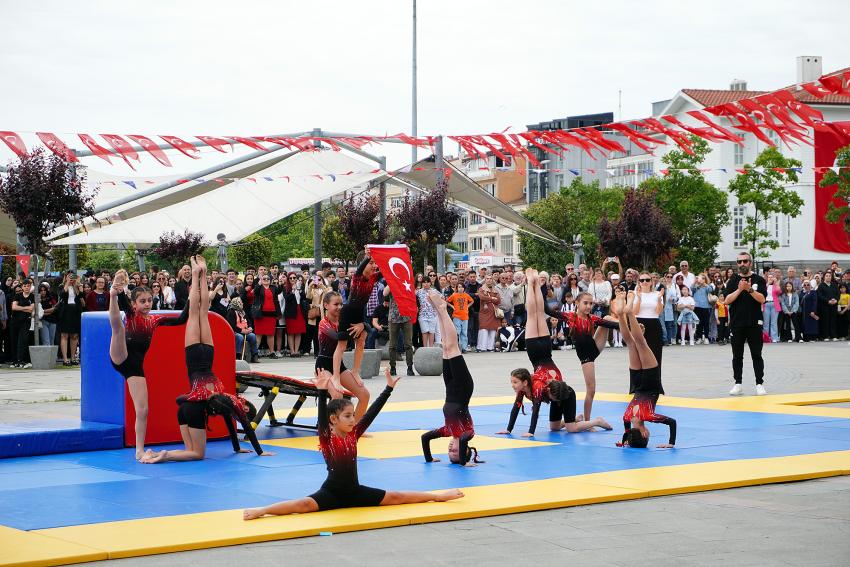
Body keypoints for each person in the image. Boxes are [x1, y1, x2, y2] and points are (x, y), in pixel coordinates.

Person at [243, 368, 464, 519]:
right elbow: (321, 418)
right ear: (334, 420)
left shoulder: (353, 434)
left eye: (352, 415)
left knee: (397, 497)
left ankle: (438, 496)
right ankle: (262, 510)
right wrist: (321, 391)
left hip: (355, 491)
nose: (352, 419)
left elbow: (371, 414)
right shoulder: (326, 438)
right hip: (331, 493)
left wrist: (388, 390)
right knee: (302, 506)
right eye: (347, 416)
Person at [141, 256, 270, 464]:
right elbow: (239, 426)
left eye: (246, 407)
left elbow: (240, 424)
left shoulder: (225, 396)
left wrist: (252, 449)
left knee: (201, 311)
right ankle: (196, 273)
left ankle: (201, 272)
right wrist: (258, 451)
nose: (244, 407)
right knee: (196, 312)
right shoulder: (222, 403)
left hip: (207, 354)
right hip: (192, 359)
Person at [496, 269, 612, 437]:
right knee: (535, 313)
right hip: (541, 350)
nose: (513, 385)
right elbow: (521, 408)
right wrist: (508, 429)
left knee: (534, 313)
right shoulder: (531, 385)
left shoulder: (535, 387)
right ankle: (532, 282)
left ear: (524, 382)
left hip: (541, 351)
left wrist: (529, 432)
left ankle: (532, 282)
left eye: (514, 382)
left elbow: (534, 409)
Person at [108, 270, 179, 460]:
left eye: (149, 300)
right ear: (134, 304)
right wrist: (119, 292)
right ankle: (112, 294)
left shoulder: (155, 321)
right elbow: (124, 307)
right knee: (118, 328)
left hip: (134, 368)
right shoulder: (131, 314)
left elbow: (181, 319)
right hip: (120, 356)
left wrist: (196, 300)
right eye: (142, 301)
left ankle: (139, 449)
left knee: (143, 410)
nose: (147, 304)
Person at [421, 291, 482, 466]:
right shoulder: (468, 433)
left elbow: (425, 438)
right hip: (463, 387)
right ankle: (442, 310)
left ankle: (439, 311)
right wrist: (464, 462)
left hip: (450, 387)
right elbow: (463, 441)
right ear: (464, 450)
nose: (450, 448)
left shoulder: (447, 430)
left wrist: (429, 458)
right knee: (452, 346)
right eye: (455, 451)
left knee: (445, 348)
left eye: (449, 452)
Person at [613, 290, 676, 449]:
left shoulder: (649, 416)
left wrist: (670, 443)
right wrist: (623, 441)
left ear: (645, 434)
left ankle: (630, 313)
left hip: (650, 381)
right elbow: (626, 434)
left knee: (641, 344)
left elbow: (672, 423)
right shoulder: (626, 417)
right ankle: (621, 313)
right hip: (636, 383)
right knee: (631, 343)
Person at [546, 290, 619, 420]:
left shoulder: (593, 318)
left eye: (591, 304)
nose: (588, 306)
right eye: (585, 303)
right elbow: (549, 311)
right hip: (587, 357)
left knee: (607, 319)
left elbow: (612, 325)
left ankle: (633, 330)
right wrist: (541, 289)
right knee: (591, 390)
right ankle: (587, 421)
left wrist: (630, 325)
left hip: (595, 347)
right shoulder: (571, 317)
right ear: (577, 303)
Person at [316, 291, 371, 419]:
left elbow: (364, 328)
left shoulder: (344, 321)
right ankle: (328, 427)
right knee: (337, 395)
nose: (340, 307)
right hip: (323, 366)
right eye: (336, 304)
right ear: (326, 305)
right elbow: (337, 337)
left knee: (364, 395)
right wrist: (359, 328)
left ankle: (353, 429)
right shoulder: (323, 323)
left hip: (338, 365)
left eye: (341, 304)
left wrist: (362, 325)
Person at [332, 251, 378, 390]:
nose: (374, 266)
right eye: (371, 263)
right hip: (348, 312)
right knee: (342, 346)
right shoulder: (357, 277)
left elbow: (390, 269)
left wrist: (402, 253)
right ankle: (335, 376)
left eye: (374, 263)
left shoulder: (374, 277)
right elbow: (360, 268)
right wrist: (367, 256)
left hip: (360, 313)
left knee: (362, 340)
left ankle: (355, 371)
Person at [724, 252, 767, 396]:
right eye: (739, 261)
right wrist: (739, 289)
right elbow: (727, 300)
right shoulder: (733, 280)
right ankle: (738, 383)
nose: (742, 264)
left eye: (745, 261)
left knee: (756, 354)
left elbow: (762, 299)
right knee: (737, 355)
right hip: (737, 323)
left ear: (750, 262)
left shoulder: (758, 279)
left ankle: (759, 383)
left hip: (754, 322)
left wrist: (749, 289)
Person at [634, 272, 664, 368]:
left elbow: (658, 312)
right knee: (638, 354)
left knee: (655, 353)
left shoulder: (657, 294)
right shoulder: (635, 294)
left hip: (654, 323)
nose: (645, 282)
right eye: (642, 280)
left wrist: (659, 300)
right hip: (639, 324)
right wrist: (639, 299)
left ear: (651, 282)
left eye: (647, 280)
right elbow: (635, 312)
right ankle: (639, 381)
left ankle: (655, 381)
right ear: (639, 282)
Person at [384, 284, 414, 376]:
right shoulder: (392, 282)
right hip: (394, 317)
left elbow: (413, 294)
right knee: (392, 345)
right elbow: (384, 293)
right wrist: (391, 281)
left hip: (406, 317)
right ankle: (393, 367)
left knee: (408, 344)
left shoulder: (406, 282)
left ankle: (410, 367)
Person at [58, 272, 85, 366]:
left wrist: (78, 285)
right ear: (65, 277)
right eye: (69, 276)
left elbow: (81, 297)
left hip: (75, 312)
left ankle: (73, 358)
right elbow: (62, 295)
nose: (71, 278)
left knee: (74, 335)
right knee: (64, 335)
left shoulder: (77, 286)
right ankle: (65, 359)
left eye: (73, 276)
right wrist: (67, 283)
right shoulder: (62, 286)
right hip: (65, 312)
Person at [253, 273, 281, 358]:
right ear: (261, 280)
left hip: (271, 314)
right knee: (258, 334)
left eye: (267, 279)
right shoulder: (259, 287)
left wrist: (281, 281)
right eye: (264, 279)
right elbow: (255, 291)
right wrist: (259, 282)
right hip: (260, 314)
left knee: (271, 334)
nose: (266, 280)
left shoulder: (273, 288)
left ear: (270, 280)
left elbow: (279, 291)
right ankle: (255, 352)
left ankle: (272, 352)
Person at [10, 279, 35, 369]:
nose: (26, 287)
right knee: (14, 340)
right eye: (24, 286)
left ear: (30, 286)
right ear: (22, 287)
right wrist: (25, 308)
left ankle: (21, 360)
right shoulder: (18, 295)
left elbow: (31, 309)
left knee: (23, 340)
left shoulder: (32, 296)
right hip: (15, 321)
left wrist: (20, 308)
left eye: (28, 286)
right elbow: (14, 307)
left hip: (26, 321)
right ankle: (14, 361)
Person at [226, 297, 259, 362]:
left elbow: (248, 321)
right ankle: (238, 356)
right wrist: (242, 331)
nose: (242, 303)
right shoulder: (231, 312)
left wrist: (250, 327)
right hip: (236, 332)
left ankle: (254, 355)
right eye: (240, 302)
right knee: (240, 337)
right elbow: (232, 326)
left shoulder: (242, 311)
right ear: (236, 303)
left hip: (245, 331)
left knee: (252, 336)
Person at [283, 271, 307, 357]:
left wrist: (299, 289)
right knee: (291, 332)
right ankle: (292, 351)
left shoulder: (300, 287)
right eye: (290, 278)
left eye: (294, 278)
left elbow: (304, 297)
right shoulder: (285, 288)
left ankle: (296, 351)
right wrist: (293, 290)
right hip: (290, 312)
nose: (292, 279)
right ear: (288, 279)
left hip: (300, 310)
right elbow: (287, 299)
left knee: (298, 332)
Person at [476, 275, 501, 352]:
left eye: (490, 279)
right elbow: (482, 297)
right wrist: (492, 298)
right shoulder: (481, 289)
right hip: (484, 313)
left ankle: (490, 347)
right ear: (485, 280)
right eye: (487, 279)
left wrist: (489, 300)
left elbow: (499, 300)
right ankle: (482, 347)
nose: (489, 280)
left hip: (493, 312)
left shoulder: (496, 289)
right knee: (484, 329)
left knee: (493, 330)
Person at [447, 283, 474, 353]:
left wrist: (467, 306)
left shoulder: (466, 295)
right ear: (456, 288)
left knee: (464, 333)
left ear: (464, 288)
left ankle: (464, 348)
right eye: (459, 287)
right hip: (456, 316)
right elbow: (447, 301)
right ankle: (456, 347)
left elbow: (472, 301)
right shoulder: (454, 295)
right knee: (457, 332)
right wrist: (452, 306)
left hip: (465, 316)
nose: (460, 288)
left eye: (462, 287)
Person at [817, 271, 839, 341]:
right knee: (825, 321)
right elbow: (820, 295)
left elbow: (838, 294)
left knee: (833, 320)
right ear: (824, 277)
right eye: (827, 276)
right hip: (825, 306)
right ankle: (825, 336)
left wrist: (836, 300)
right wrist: (828, 301)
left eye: (829, 276)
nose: (828, 277)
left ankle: (833, 335)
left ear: (831, 277)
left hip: (834, 305)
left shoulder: (834, 285)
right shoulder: (821, 285)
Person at [415, 278, 438, 347]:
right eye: (424, 282)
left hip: (433, 314)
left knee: (431, 332)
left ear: (430, 283)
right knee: (424, 332)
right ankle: (425, 348)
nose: (426, 284)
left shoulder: (434, 291)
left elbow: (442, 299)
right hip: (422, 315)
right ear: (422, 283)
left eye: (427, 282)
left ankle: (431, 348)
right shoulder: (419, 292)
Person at [38, 283, 59, 347]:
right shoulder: (38, 299)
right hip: (43, 321)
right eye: (41, 291)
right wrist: (47, 311)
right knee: (46, 341)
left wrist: (43, 311)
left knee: (52, 340)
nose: (43, 292)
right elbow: (38, 312)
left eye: (44, 290)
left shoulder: (50, 297)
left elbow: (54, 309)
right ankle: (46, 357)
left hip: (53, 321)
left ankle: (52, 357)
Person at [763, 273, 781, 343]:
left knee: (774, 322)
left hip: (774, 304)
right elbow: (762, 291)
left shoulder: (775, 285)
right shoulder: (765, 285)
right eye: (769, 277)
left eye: (771, 277)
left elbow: (779, 291)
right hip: (766, 304)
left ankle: (774, 338)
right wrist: (767, 283)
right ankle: (766, 337)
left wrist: (776, 282)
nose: (770, 278)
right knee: (766, 323)